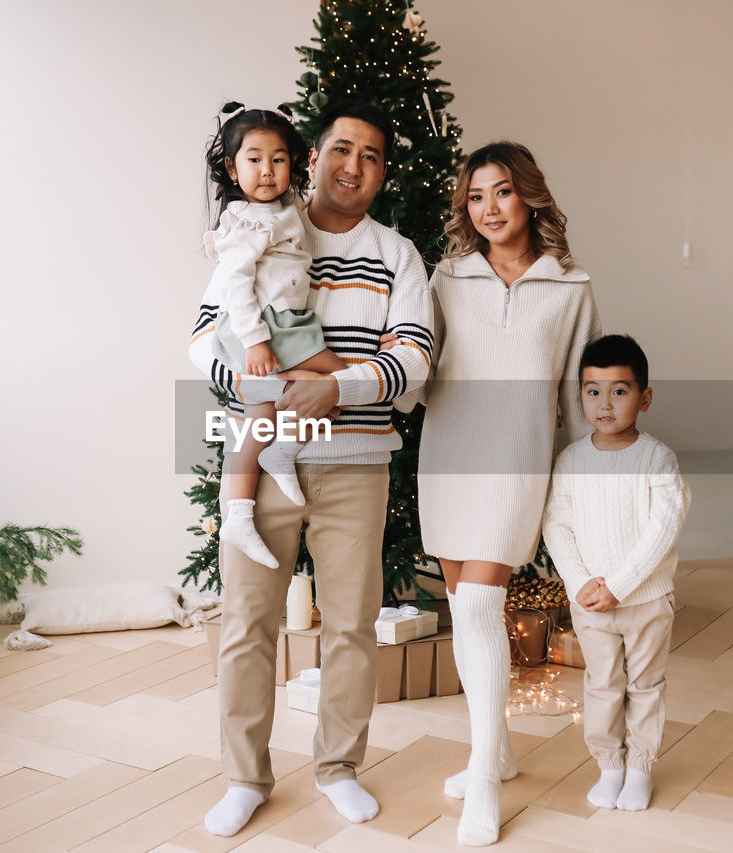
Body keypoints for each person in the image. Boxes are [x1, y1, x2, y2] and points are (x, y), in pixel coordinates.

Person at [187, 101, 433, 837]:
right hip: (263, 465)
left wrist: (339, 387)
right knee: (246, 622)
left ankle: (338, 767)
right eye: (342, 150)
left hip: (356, 464)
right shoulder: (260, 228)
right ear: (314, 156)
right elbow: (203, 340)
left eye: (373, 156)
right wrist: (264, 385)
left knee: (352, 624)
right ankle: (245, 777)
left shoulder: (397, 255)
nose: (354, 165)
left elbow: (415, 362)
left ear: (382, 174)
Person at [417, 141, 601, 846]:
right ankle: (495, 748)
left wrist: (592, 477)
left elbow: (579, 394)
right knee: (468, 612)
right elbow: (420, 365)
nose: (488, 207)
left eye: (501, 192)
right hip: (450, 454)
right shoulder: (445, 278)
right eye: (475, 196)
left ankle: (484, 781)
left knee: (482, 603)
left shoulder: (570, 288)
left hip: (517, 464)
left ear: (528, 196)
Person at [541, 334, 690, 813]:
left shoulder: (657, 459)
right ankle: (610, 766)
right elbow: (557, 525)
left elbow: (662, 527)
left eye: (619, 391)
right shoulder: (571, 461)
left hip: (646, 600)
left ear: (644, 398)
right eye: (593, 391)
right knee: (603, 685)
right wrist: (582, 582)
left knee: (645, 686)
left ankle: (641, 767)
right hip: (590, 604)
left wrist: (619, 586)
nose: (605, 403)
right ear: (580, 395)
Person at [201, 102, 353, 570]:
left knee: (283, 406)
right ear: (231, 166)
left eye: (278, 159)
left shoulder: (284, 208)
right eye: (253, 159)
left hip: (286, 323)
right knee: (338, 379)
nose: (267, 170)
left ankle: (281, 452)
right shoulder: (246, 220)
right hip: (267, 327)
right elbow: (234, 286)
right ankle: (239, 514)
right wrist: (254, 341)